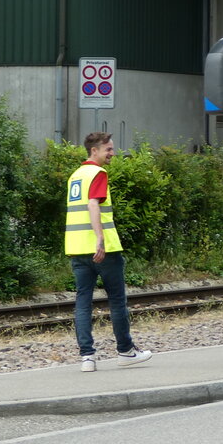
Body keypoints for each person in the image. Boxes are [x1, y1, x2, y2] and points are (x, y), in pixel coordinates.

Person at [65, 132, 152, 372]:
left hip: (76, 248)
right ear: (95, 151)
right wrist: (100, 239)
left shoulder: (76, 176)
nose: (112, 154)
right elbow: (93, 204)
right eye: (109, 150)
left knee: (82, 301)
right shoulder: (98, 173)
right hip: (102, 250)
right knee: (116, 300)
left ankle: (87, 358)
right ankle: (125, 351)